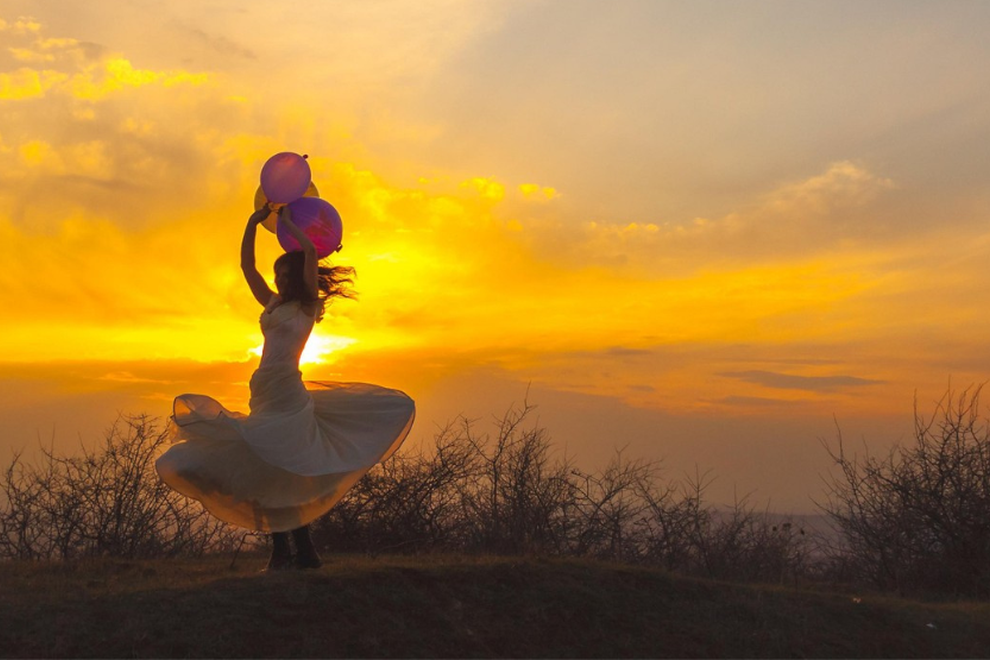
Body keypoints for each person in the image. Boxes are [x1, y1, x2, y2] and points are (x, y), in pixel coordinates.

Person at [156, 204, 415, 570]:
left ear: (296, 277)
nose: (276, 279)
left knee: (283, 467)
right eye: (276, 273)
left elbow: (309, 252)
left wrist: (288, 222)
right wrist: (251, 223)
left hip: (288, 395)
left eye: (282, 273)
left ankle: (294, 553)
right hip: (263, 392)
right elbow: (247, 268)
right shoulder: (275, 303)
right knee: (269, 468)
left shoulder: (307, 306)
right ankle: (297, 553)